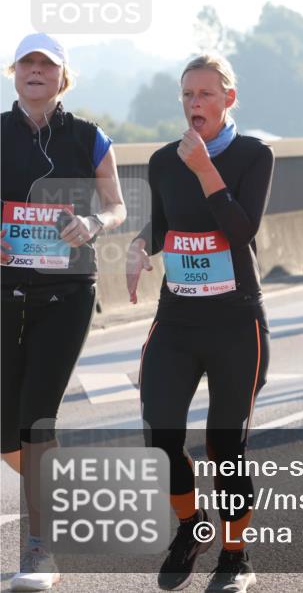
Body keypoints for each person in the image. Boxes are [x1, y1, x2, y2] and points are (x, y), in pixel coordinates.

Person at [125, 54, 274, 593]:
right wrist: (142, 247)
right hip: (178, 319)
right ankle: (191, 527)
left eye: (205, 95)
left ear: (228, 99)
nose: (194, 105)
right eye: (187, 95)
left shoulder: (254, 155)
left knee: (224, 444)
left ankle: (235, 556)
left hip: (236, 323)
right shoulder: (165, 160)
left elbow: (239, 230)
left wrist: (206, 168)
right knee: (160, 431)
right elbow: (162, 224)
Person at [2, 33, 127, 591]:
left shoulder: (89, 136)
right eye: (26, 63)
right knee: (8, 434)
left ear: (62, 77)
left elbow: (118, 204)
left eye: (45, 65)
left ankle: (39, 547)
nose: (35, 71)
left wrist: (94, 224)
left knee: (37, 415)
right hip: (4, 294)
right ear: (13, 73)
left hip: (68, 294)